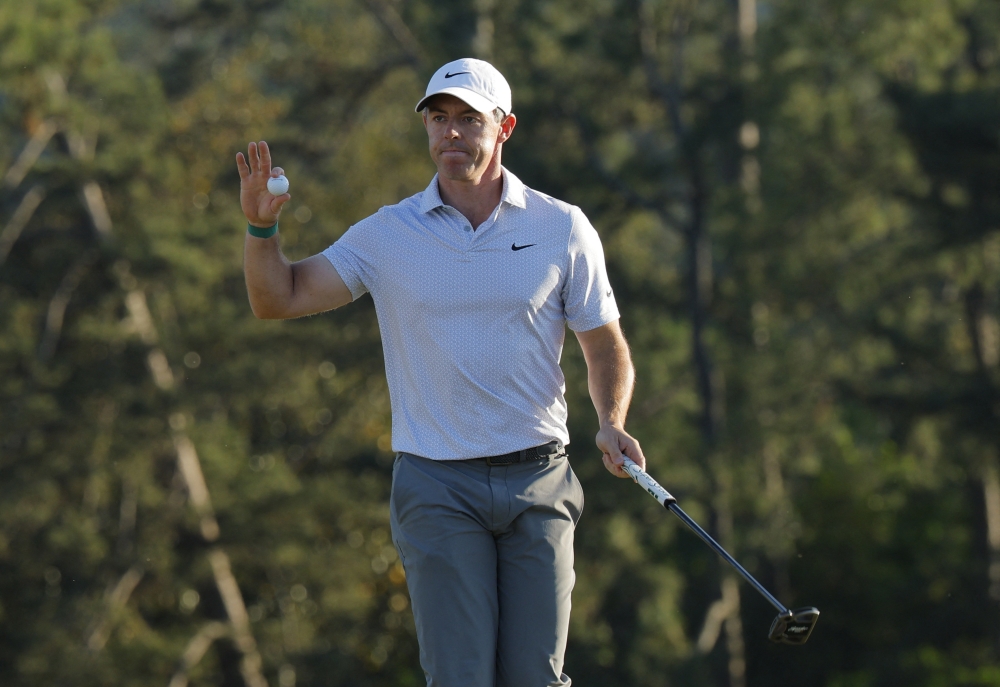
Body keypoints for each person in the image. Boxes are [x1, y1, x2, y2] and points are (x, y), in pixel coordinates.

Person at [236, 57, 646, 687]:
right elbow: (278, 299)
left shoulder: (561, 227)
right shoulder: (388, 233)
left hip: (539, 480)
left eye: (468, 119)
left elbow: (604, 344)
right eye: (438, 117)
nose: (450, 132)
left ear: (504, 128)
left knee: (537, 678)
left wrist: (612, 420)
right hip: (437, 485)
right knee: (460, 678)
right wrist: (261, 227)